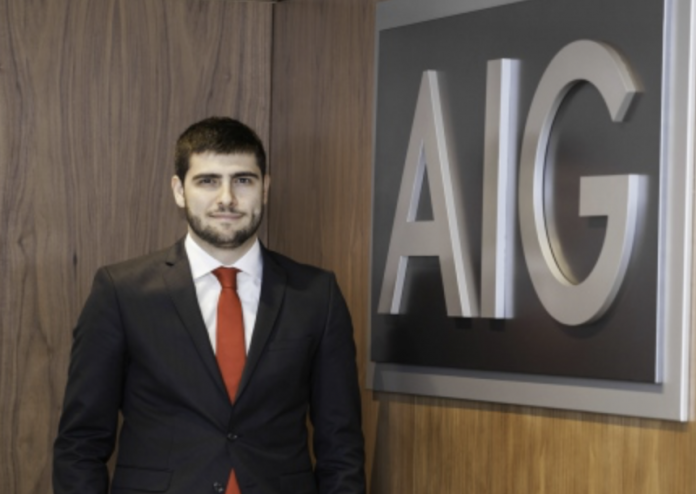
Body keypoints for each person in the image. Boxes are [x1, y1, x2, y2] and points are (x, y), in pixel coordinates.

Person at [53, 117, 366, 494]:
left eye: (243, 180)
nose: (227, 198)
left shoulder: (316, 295)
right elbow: (81, 444)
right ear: (179, 190)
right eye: (208, 181)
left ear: (265, 188)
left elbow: (341, 448)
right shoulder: (121, 292)